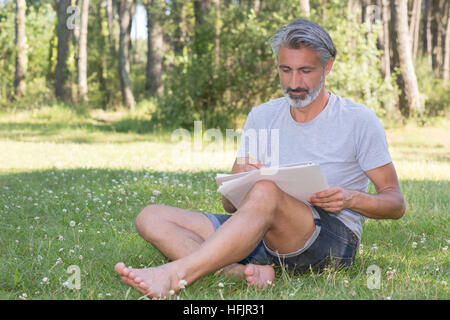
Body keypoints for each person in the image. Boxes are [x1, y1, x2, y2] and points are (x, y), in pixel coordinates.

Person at [114, 18, 405, 298]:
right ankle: (237, 272)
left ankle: (175, 275)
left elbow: (395, 203)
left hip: (330, 240)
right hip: (261, 234)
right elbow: (230, 206)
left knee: (265, 190)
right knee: (151, 217)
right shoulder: (262, 115)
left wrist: (350, 199)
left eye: (305, 71)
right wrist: (240, 177)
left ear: (327, 66)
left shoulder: (359, 120)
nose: (294, 82)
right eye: (285, 70)